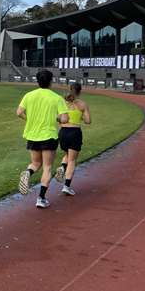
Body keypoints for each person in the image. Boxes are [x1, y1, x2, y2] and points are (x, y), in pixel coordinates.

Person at [16, 69, 69, 208]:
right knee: (47, 167)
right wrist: (57, 118)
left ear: (37, 81)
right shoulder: (57, 98)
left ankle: (28, 172)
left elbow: (19, 112)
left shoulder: (29, 95)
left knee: (35, 163)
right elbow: (65, 119)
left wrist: (29, 120)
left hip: (32, 134)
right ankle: (41, 198)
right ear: (51, 81)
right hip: (48, 135)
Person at [54, 82, 91, 196]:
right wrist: (81, 115)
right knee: (72, 160)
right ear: (79, 91)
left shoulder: (62, 103)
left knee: (67, 155)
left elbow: (58, 118)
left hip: (63, 132)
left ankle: (62, 168)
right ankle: (66, 186)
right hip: (75, 132)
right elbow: (88, 121)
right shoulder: (82, 104)